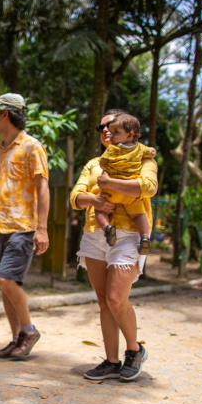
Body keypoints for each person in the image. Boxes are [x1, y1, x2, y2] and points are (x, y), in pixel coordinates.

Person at [70, 109, 158, 382]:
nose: (106, 130)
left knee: (116, 298)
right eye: (101, 127)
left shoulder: (144, 156)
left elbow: (148, 187)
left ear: (126, 130)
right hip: (96, 234)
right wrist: (94, 201)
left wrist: (109, 184)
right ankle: (110, 361)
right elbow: (76, 195)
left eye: (112, 126)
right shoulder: (94, 163)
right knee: (103, 302)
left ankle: (134, 350)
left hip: (130, 235)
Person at [0, 93, 49, 359]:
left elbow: (43, 188)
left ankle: (29, 330)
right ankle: (16, 339)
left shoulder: (32, 147)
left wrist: (42, 228)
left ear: (5, 113)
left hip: (24, 227)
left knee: (6, 279)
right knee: (3, 284)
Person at [94, 113, 155, 255]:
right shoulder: (140, 149)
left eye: (115, 132)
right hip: (131, 194)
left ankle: (107, 227)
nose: (111, 134)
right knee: (139, 215)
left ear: (129, 135)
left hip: (111, 193)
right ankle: (145, 236)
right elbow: (151, 152)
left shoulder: (112, 149)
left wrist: (108, 179)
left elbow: (103, 162)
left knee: (100, 210)